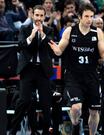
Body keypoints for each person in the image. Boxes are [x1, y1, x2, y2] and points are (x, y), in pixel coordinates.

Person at [48, 3, 104, 135]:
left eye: (91, 16)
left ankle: (92, 133)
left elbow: (102, 53)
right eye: (86, 16)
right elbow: (59, 50)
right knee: (76, 108)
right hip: (73, 76)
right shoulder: (70, 31)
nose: (89, 19)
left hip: (91, 75)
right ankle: (75, 124)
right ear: (80, 17)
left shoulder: (97, 32)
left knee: (94, 111)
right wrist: (56, 50)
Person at [9, 5, 54, 135]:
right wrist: (32, 36)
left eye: (41, 15)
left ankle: (46, 131)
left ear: (44, 16)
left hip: (42, 69)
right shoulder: (25, 28)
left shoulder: (49, 30)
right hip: (27, 69)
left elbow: (50, 48)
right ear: (32, 15)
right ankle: (13, 131)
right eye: (37, 15)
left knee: (46, 102)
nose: (39, 18)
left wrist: (42, 35)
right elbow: (20, 46)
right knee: (24, 100)